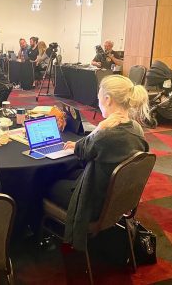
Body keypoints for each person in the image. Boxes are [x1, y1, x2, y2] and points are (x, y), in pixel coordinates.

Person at [44, 75, 149, 251]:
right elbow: (88, 147)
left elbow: (86, 150)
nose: (98, 102)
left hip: (93, 203)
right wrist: (82, 142)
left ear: (107, 99)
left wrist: (100, 128)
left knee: (46, 185)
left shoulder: (106, 135)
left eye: (99, 98)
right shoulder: (136, 129)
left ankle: (41, 237)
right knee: (72, 174)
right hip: (116, 198)